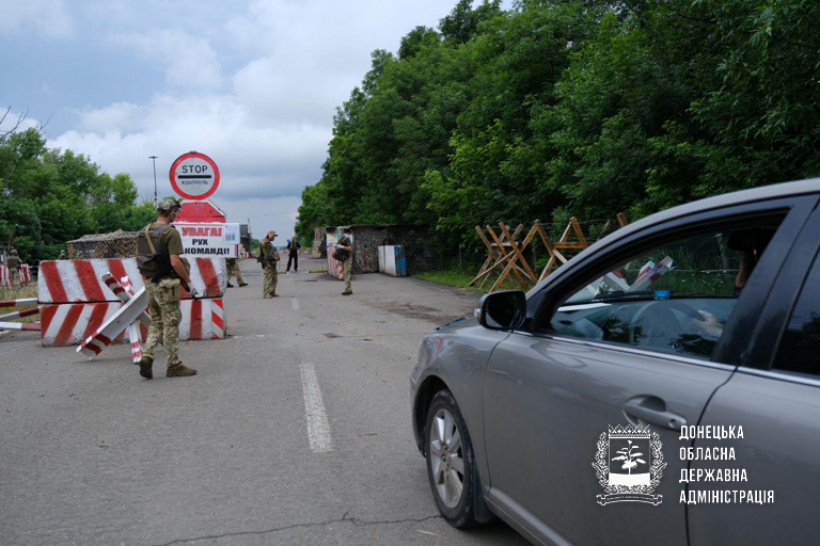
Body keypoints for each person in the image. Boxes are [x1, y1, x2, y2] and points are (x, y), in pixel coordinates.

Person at [136, 197, 198, 379]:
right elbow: (175, 262)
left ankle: (147, 355)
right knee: (171, 322)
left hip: (149, 282)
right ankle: (173, 365)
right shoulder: (170, 233)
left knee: (157, 322)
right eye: (175, 213)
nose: (175, 216)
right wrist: (189, 282)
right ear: (171, 213)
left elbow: (138, 256)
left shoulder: (144, 231)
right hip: (166, 284)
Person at [261, 230, 280, 298]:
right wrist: (268, 238)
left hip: (273, 263)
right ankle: (266, 293)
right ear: (269, 234)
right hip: (268, 263)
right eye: (273, 236)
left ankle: (272, 291)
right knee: (268, 278)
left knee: (274, 278)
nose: (274, 237)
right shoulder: (265, 241)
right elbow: (263, 244)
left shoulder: (270, 243)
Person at [337, 228, 354, 296]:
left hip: (347, 257)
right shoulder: (346, 237)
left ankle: (348, 289)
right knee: (345, 273)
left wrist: (341, 247)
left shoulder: (347, 238)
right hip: (345, 257)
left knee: (346, 272)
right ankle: (348, 289)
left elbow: (349, 248)